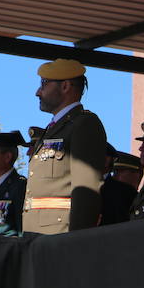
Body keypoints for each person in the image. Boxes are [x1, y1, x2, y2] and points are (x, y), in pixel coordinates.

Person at [24, 59, 106, 234]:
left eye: (44, 84)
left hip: (61, 233)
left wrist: (77, 239)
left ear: (66, 86)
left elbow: (86, 189)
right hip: (37, 232)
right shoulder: (55, 128)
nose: (38, 92)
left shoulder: (84, 124)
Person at [100, 148, 139, 225]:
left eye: (119, 171)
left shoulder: (124, 192)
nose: (116, 175)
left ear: (106, 160)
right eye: (115, 171)